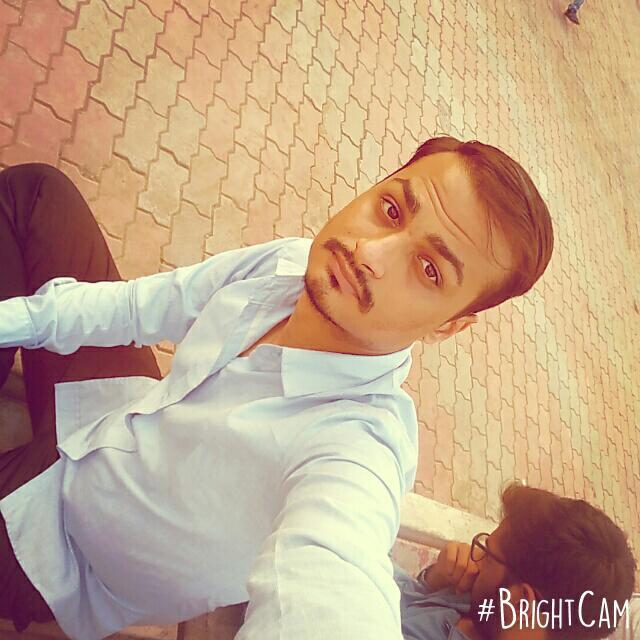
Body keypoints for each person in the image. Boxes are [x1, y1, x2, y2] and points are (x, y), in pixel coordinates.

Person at [0, 136, 554, 639]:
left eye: (429, 269)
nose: (369, 253)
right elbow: (144, 306)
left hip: (62, 553)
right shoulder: (289, 264)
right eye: (392, 209)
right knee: (39, 195)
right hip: (107, 416)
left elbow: (333, 582)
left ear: (448, 326)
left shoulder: (357, 448)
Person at [396, 484, 637, 640]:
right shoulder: (490, 607)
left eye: (488, 555)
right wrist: (435, 580)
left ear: (522, 601)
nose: (476, 558)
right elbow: (406, 599)